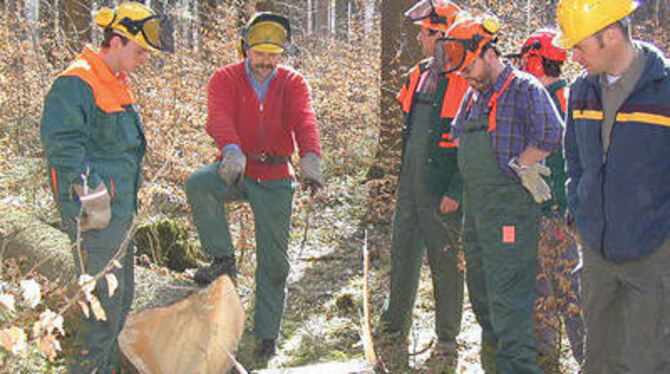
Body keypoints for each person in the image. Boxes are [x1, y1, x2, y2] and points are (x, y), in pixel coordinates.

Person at [185, 11, 323, 367]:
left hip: (276, 174)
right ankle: (223, 259)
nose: (265, 62)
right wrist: (230, 148)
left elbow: (305, 119)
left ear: (281, 54)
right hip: (238, 168)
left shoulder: (293, 82)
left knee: (274, 263)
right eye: (259, 54)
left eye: (272, 55)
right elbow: (217, 116)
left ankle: (266, 334)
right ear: (246, 49)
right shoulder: (225, 78)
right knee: (200, 184)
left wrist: (310, 158)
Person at [39, 2, 171, 373]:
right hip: (96, 217)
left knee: (121, 300)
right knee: (101, 312)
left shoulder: (115, 82)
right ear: (116, 41)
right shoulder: (77, 81)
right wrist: (92, 197)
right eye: (140, 50)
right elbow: (62, 147)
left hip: (119, 212)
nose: (145, 59)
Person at [443, 16, 562, 373]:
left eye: (469, 65)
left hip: (510, 211)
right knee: (482, 298)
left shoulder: (524, 88)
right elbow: (459, 136)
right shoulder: (473, 96)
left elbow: (552, 134)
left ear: (488, 52)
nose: (464, 74)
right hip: (478, 213)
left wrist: (520, 165)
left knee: (509, 302)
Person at [555, 0, 670, 371]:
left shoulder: (663, 90)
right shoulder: (581, 90)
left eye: (580, 45)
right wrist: (579, 213)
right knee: (600, 358)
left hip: (654, 257)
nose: (573, 56)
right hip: (597, 253)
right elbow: (573, 157)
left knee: (647, 361)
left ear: (610, 35)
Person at [375, 1, 467, 372]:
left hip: (442, 188)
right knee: (403, 254)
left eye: (425, 31)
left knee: (446, 261)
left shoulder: (464, 79)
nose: (418, 37)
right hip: (410, 184)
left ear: (442, 34)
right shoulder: (417, 74)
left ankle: (447, 336)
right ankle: (395, 326)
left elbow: (470, 146)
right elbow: (409, 130)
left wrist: (456, 191)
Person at [507, 29, 585, 371]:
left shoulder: (554, 99)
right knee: (544, 290)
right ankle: (548, 359)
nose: (523, 65)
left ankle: (587, 358)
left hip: (555, 213)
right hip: (543, 213)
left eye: (526, 59)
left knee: (567, 290)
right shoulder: (561, 95)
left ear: (537, 61)